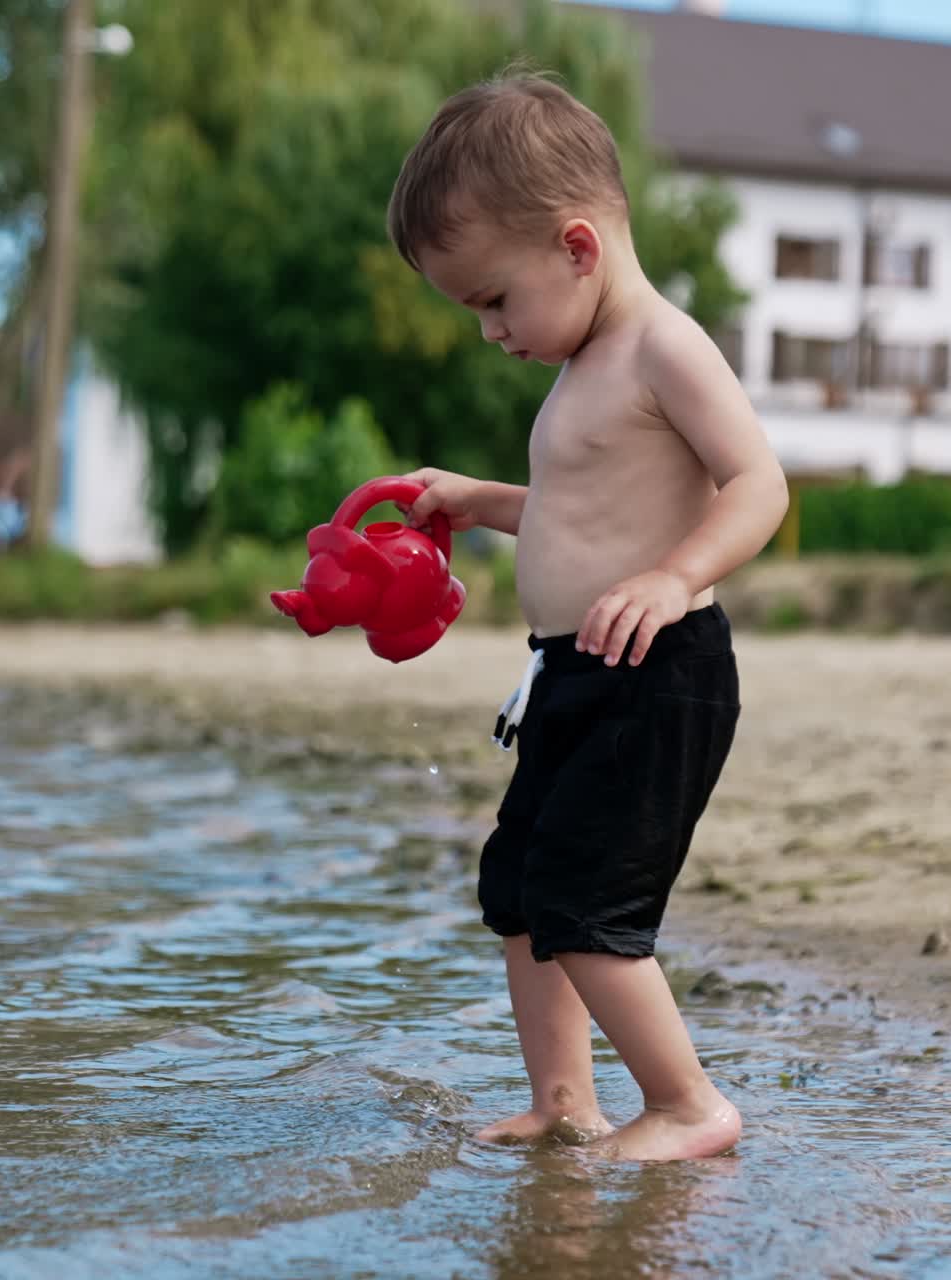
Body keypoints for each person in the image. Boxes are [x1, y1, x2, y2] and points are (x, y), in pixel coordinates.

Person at [386, 73, 789, 1162]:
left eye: (491, 300)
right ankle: (563, 1097)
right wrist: (480, 502)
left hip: (658, 669)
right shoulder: (577, 370)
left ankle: (686, 1103)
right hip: (569, 671)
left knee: (584, 894)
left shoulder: (663, 346)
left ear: (575, 247)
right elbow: (577, 513)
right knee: (518, 882)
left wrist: (672, 575)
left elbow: (756, 485)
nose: (488, 331)